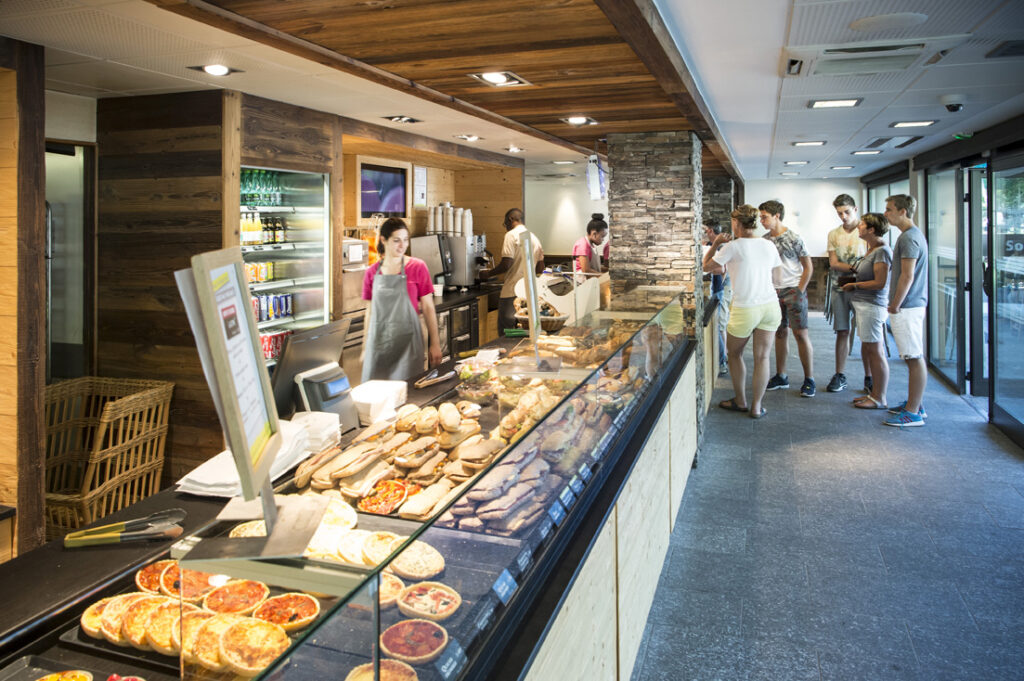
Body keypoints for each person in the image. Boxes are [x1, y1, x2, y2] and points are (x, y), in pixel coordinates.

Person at [702, 204, 782, 419]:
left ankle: (740, 401)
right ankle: (756, 407)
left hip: (745, 308)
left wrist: (716, 243)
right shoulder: (768, 245)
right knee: (763, 357)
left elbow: (706, 266)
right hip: (770, 306)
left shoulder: (733, 247)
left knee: (734, 354)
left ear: (736, 223)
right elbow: (777, 279)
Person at [360, 217, 442, 382]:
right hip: (378, 344)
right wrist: (364, 347)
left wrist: (435, 343)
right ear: (384, 240)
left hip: (408, 346)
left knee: (408, 393)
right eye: (396, 240)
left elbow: (428, 308)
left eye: (405, 240)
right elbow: (370, 312)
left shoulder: (418, 267)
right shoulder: (372, 273)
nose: (402, 245)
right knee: (378, 395)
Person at [759, 200, 816, 397]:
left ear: (776, 216)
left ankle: (809, 379)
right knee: (780, 333)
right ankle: (781, 376)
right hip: (773, 292)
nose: (761, 220)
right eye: (760, 216)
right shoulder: (764, 240)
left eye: (764, 216)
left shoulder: (794, 238)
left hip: (793, 290)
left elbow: (808, 266)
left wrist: (800, 290)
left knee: (801, 334)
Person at [883, 194, 929, 427]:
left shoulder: (909, 238)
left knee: (913, 357)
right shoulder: (910, 236)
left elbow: (907, 275)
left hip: (908, 306)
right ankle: (915, 403)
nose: (885, 213)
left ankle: (913, 412)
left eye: (889, 209)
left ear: (903, 212)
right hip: (910, 305)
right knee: (911, 356)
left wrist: (896, 304)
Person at [841, 213, 892, 410]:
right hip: (864, 305)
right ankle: (873, 393)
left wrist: (856, 286)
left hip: (872, 306)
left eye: (862, 224)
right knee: (869, 349)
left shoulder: (881, 252)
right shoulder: (872, 250)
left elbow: (880, 283)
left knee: (876, 351)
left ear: (871, 229)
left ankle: (879, 397)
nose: (859, 226)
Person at [826, 194, 870, 393]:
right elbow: (834, 263)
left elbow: (873, 260)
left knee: (866, 335)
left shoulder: (867, 232)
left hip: (863, 289)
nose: (843, 217)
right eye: (839, 213)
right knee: (842, 331)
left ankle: (869, 376)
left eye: (846, 212)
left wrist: (855, 269)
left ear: (856, 209)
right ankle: (839, 374)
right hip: (840, 288)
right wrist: (858, 267)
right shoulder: (834, 234)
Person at [480, 208, 544, 335]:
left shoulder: (511, 235)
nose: (506, 227)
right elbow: (540, 268)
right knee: (524, 331)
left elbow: (506, 264)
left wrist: (487, 274)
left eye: (505, 224)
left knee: (507, 332)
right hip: (529, 293)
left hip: (511, 291)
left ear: (510, 219)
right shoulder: (534, 238)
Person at [703, 217, 731, 376]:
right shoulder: (709, 246)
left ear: (711, 231)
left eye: (706, 230)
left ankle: (722, 360)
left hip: (719, 289)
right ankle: (721, 358)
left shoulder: (722, 246)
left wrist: (704, 269)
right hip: (715, 288)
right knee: (717, 325)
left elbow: (721, 270)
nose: (705, 233)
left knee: (720, 325)